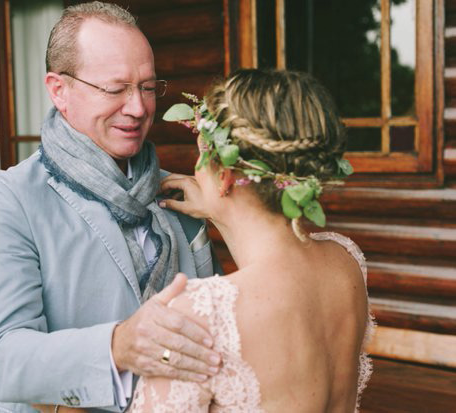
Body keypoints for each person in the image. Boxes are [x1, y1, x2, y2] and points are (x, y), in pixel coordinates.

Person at [0, 2, 222, 413]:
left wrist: (223, 213)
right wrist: (118, 346)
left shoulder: (182, 194)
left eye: (148, 87)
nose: (138, 108)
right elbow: (0, 359)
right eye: (115, 88)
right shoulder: (8, 198)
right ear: (58, 89)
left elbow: (220, 328)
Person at [129, 69, 375, 412]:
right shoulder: (345, 262)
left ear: (226, 174)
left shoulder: (199, 314)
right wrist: (219, 209)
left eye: (202, 153)